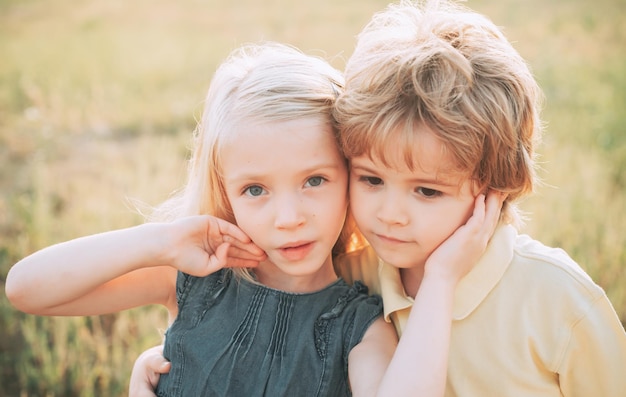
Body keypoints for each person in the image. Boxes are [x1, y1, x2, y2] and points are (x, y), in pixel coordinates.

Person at [132, 0, 626, 396]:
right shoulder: (351, 273)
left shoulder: (559, 302)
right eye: (370, 180)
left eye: (427, 190)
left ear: (495, 184)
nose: (390, 214)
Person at [5, 41, 501, 396]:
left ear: (352, 174)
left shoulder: (358, 325)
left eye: (314, 180)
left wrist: (440, 280)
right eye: (255, 190)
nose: (289, 218)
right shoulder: (198, 280)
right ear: (225, 192)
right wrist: (160, 241)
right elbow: (27, 289)